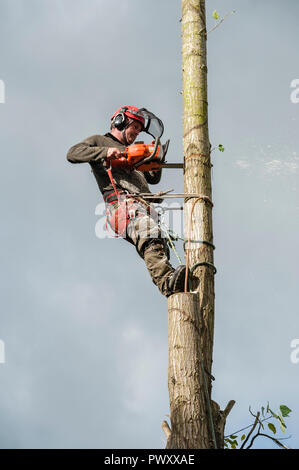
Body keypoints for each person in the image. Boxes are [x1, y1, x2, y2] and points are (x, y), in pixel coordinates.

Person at [67, 105, 186, 296]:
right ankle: (167, 282)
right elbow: (73, 153)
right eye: (135, 127)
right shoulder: (101, 141)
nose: (138, 133)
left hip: (144, 206)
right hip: (122, 205)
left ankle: (176, 284)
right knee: (148, 232)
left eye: (140, 129)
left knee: (158, 244)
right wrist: (105, 153)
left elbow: (153, 179)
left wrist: (156, 162)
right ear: (120, 121)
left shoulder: (133, 152)